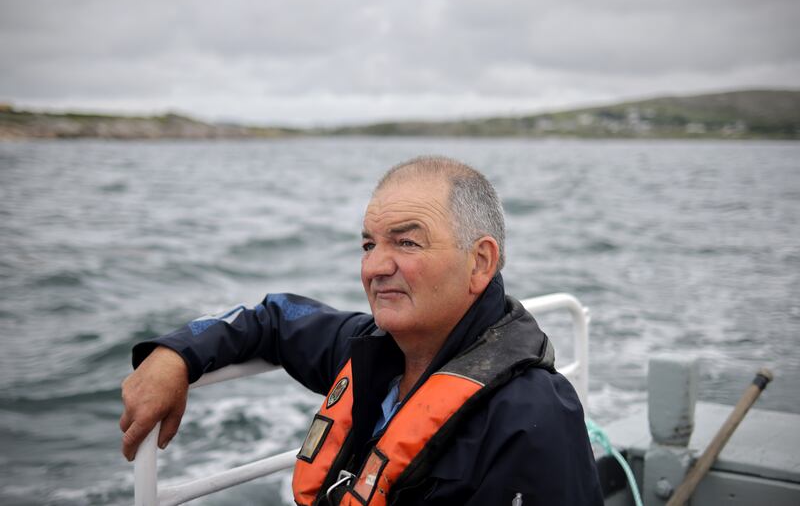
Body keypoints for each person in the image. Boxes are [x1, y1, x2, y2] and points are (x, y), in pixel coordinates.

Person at [120, 156, 603, 505]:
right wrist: (174, 356)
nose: (375, 267)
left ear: (480, 262)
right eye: (368, 244)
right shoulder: (371, 350)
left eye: (407, 242)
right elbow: (273, 318)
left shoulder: (532, 417)